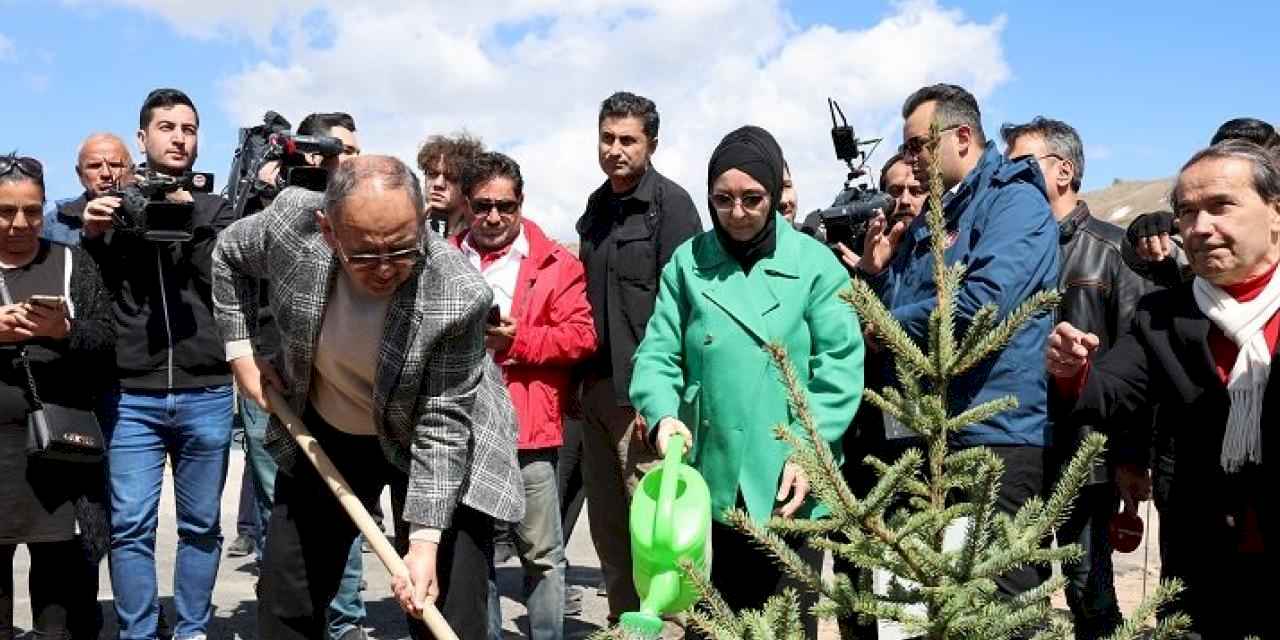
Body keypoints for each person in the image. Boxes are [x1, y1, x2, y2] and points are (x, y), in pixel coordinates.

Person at [212, 155, 524, 640]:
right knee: (287, 596)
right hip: (329, 427)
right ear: (329, 231)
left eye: (401, 249)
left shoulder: (457, 293)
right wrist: (241, 352)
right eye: (364, 254)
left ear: (422, 222)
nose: (384, 270)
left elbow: (442, 422)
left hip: (432, 432)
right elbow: (228, 256)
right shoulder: (291, 225)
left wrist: (422, 542)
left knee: (442, 600)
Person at [631, 125, 863, 638]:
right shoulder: (687, 264)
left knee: (783, 625)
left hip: (790, 479)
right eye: (723, 199)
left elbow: (840, 365)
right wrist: (662, 412)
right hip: (707, 479)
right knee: (711, 623)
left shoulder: (815, 265)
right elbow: (659, 353)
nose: (737, 212)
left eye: (752, 198)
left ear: (776, 194)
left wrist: (810, 449)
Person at [1046, 140, 1278, 638]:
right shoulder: (1162, 316)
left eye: (1221, 206)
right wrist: (1072, 370)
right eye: (1187, 213)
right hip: (1201, 561)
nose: (1199, 227)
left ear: (1275, 213)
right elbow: (1109, 389)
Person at [856, 83, 1060, 598]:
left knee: (994, 602)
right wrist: (876, 274)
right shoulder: (935, 216)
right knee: (916, 608)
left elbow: (977, 308)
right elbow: (901, 308)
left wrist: (885, 324)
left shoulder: (1013, 205)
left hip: (992, 434)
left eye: (916, 147)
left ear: (962, 136)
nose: (910, 161)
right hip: (922, 434)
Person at [78, 88, 237, 640]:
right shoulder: (113, 207)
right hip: (132, 394)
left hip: (207, 390)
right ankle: (139, 633)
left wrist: (190, 219)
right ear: (142, 138)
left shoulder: (217, 209)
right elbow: (83, 280)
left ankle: (191, 630)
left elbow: (223, 282)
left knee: (201, 527)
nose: (179, 138)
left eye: (189, 129)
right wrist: (95, 233)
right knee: (130, 528)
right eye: (167, 127)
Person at [1003, 117, 1154, 639]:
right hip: (1016, 447)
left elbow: (1138, 361)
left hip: (1086, 454)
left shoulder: (1113, 250)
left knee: (1089, 589)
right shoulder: (1011, 250)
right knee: (1016, 590)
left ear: (1063, 170)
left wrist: (1131, 458)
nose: (1006, 174)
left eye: (1020, 162)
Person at [232, 110, 372, 640]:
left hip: (341, 379)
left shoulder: (363, 213)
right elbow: (226, 263)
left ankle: (346, 620)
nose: (351, 162)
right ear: (311, 154)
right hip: (274, 377)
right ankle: (292, 616)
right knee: (283, 508)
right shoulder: (272, 206)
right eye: (341, 152)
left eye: (356, 151)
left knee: (348, 502)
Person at [452, 152, 596, 640]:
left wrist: (518, 341)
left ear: (521, 203)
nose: (494, 216)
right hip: (462, 430)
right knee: (475, 559)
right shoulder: (444, 258)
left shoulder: (558, 263)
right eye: (483, 205)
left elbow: (581, 337)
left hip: (529, 432)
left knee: (543, 557)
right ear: (466, 204)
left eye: (505, 206)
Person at [575, 90, 703, 620]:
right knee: (609, 533)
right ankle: (623, 627)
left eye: (628, 140)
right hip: (596, 394)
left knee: (659, 537)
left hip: (647, 401)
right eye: (607, 138)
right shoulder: (595, 207)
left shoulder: (672, 207)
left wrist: (666, 401)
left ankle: (671, 630)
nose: (615, 150)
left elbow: (689, 309)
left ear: (652, 143)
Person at [0, 154, 113, 640]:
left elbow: (108, 339)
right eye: (5, 211)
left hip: (58, 457)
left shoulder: (72, 261)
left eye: (31, 209)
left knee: (59, 613)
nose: (20, 223)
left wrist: (65, 330)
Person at [835, 151, 927, 272]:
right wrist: (868, 272)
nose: (904, 200)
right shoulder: (858, 250)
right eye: (895, 191)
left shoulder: (944, 248)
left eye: (916, 191)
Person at [42, 133, 135, 246]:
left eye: (115, 165)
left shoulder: (152, 214)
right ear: (79, 173)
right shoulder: (55, 223)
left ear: (132, 171)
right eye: (94, 166)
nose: (106, 173)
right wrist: (88, 236)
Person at [417, 133, 485, 239]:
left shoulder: (481, 236)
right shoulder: (408, 230)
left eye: (451, 177)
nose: (438, 184)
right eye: (432, 174)